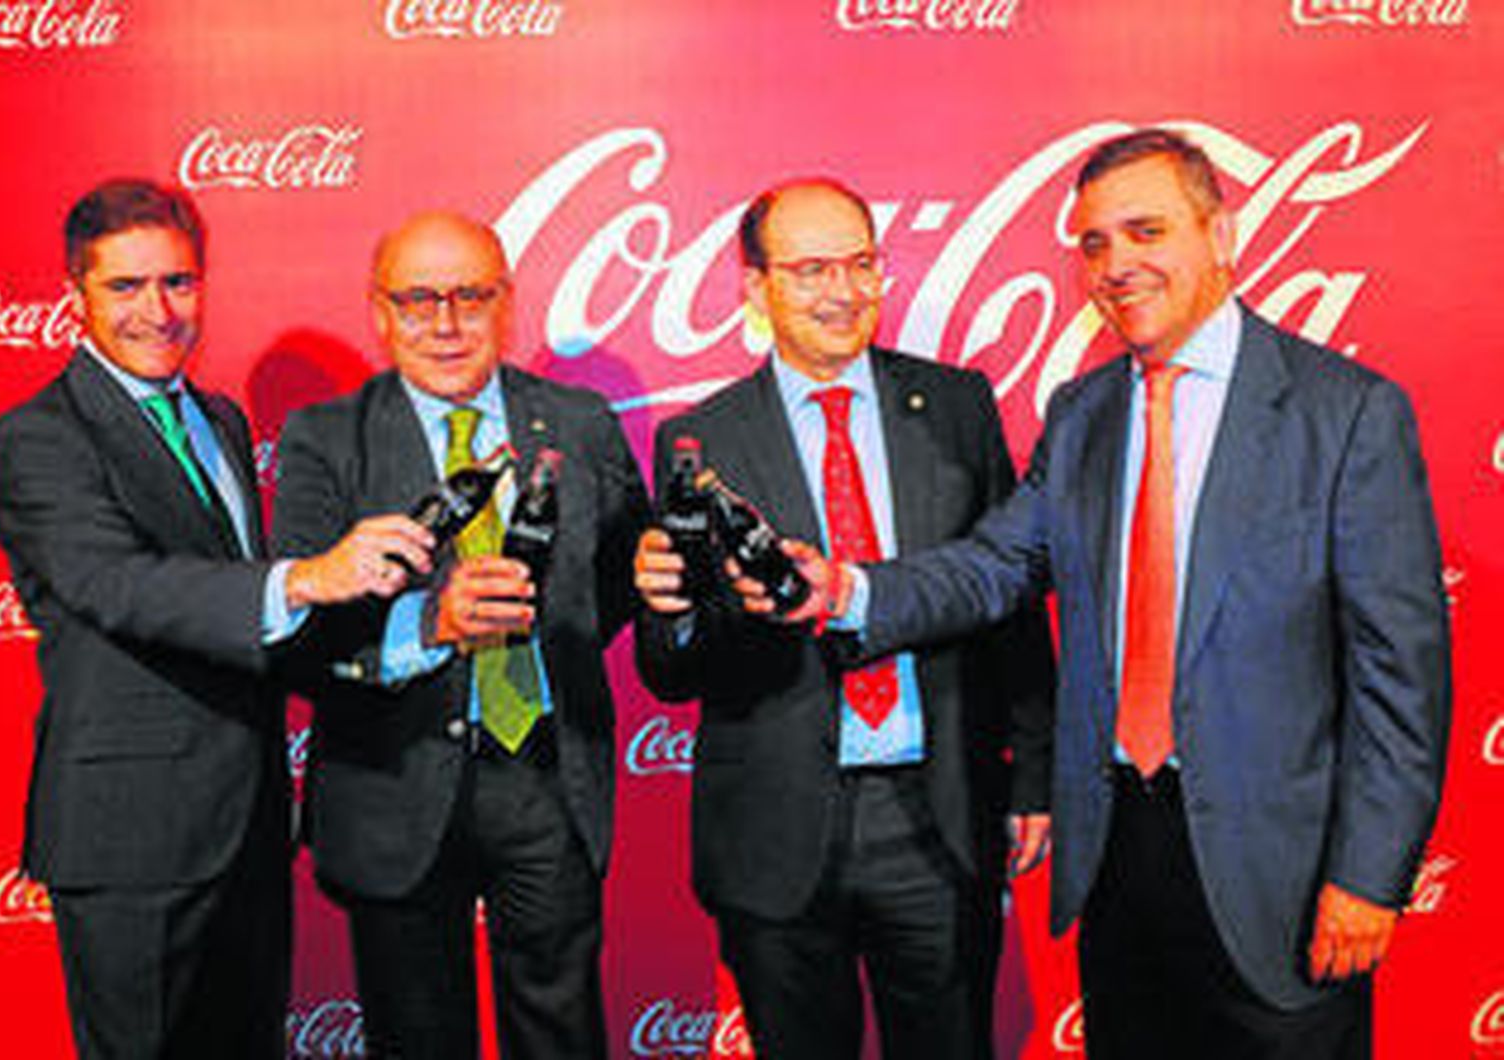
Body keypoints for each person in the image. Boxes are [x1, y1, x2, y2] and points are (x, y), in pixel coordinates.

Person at [776, 130, 1452, 1059]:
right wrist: (847, 588)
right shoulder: (1083, 413)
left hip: (1282, 882)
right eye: (1094, 243)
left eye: (1145, 231)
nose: (1117, 263)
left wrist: (1370, 877)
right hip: (1118, 866)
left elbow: (1401, 681)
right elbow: (995, 564)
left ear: (1222, 234)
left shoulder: (1347, 413)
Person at [0, 178, 434, 1059]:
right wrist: (309, 576)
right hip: (130, 841)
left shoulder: (219, 420)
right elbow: (118, 584)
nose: (158, 310)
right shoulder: (39, 434)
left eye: (179, 283)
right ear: (75, 294)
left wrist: (411, 615)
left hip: (250, 829)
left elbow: (249, 622)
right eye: (126, 287)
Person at [632, 178, 1056, 1059]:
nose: (843, 290)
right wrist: (668, 608)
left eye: (861, 263)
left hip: (934, 816)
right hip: (775, 830)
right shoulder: (698, 438)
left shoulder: (957, 406)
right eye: (811, 268)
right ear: (757, 288)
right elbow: (672, 673)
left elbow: (1008, 597)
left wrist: (1033, 775)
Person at [272, 209, 650, 1059]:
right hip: (394, 782)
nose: (445, 324)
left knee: (563, 1034)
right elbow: (295, 634)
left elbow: (628, 577)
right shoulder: (325, 439)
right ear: (379, 311)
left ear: (507, 304)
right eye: (418, 300)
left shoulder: (582, 422)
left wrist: (559, 630)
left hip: (545, 777)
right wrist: (426, 627)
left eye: (470, 297)